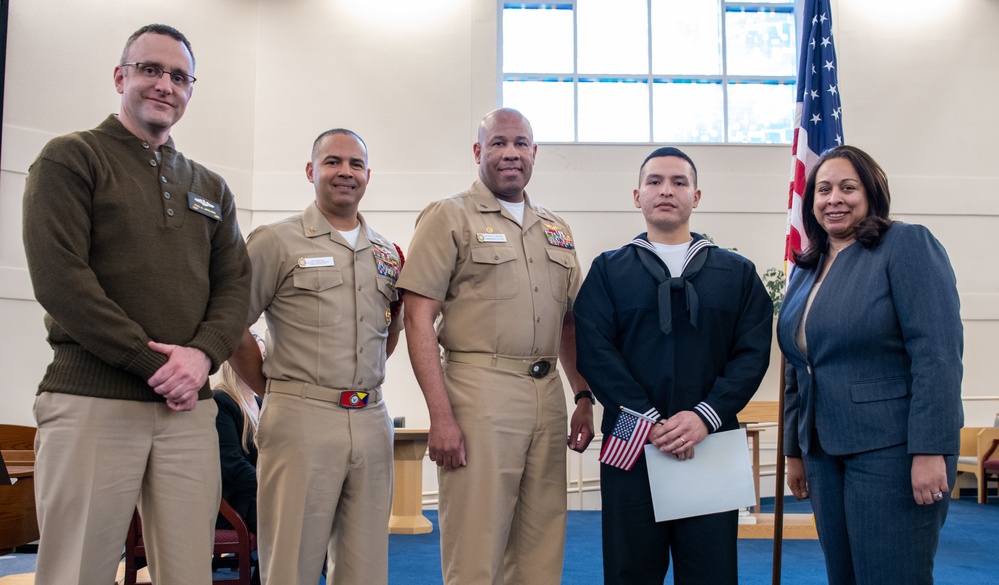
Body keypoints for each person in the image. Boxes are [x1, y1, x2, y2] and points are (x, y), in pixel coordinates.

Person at [21, 23, 251, 585]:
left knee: (189, 573)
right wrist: (157, 366)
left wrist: (200, 360)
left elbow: (235, 288)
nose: (165, 85)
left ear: (190, 91)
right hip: (92, 401)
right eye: (151, 69)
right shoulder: (71, 159)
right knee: (76, 572)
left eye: (179, 76)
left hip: (188, 412)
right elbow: (61, 280)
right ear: (121, 76)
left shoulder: (212, 187)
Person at [397, 108, 594, 585]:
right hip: (478, 392)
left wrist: (583, 395)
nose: (511, 153)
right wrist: (440, 416)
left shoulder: (556, 228)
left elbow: (568, 321)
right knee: (477, 542)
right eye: (499, 142)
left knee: (541, 540)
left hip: (547, 395)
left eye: (521, 143)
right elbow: (418, 316)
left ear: (534, 152)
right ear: (478, 151)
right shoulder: (449, 216)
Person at [573, 146, 772, 585]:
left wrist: (704, 416)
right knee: (629, 568)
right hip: (629, 431)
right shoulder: (608, 270)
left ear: (696, 196)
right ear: (637, 195)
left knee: (711, 570)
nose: (667, 190)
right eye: (655, 181)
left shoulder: (736, 272)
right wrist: (647, 420)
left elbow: (753, 353)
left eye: (679, 182)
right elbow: (594, 351)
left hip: (711, 435)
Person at [778, 145, 963, 585]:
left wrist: (930, 448)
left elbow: (937, 354)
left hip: (893, 452)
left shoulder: (906, 245)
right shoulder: (806, 269)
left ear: (872, 192)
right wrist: (794, 451)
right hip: (823, 452)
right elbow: (798, 368)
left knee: (891, 575)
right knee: (842, 576)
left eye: (847, 187)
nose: (833, 199)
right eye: (823, 190)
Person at [228, 128, 403, 585]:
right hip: (300, 419)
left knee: (366, 567)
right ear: (311, 171)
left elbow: (386, 335)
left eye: (356, 164)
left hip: (371, 417)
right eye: (332, 162)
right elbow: (230, 326)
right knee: (292, 564)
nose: (345, 172)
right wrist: (276, 390)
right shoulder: (275, 241)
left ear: (368, 175)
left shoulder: (387, 253)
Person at [213, 336, 264, 532]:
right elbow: (231, 466)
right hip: (236, 501)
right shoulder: (221, 401)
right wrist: (273, 486)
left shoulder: (261, 402)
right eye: (257, 357)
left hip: (259, 492)